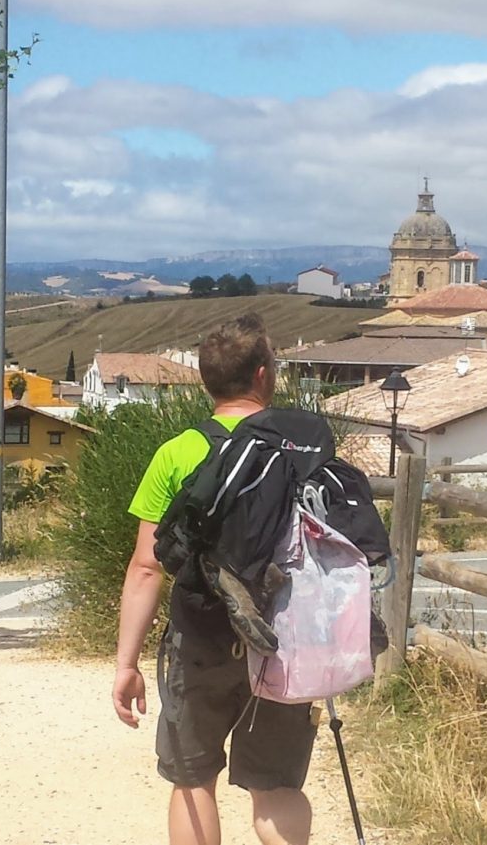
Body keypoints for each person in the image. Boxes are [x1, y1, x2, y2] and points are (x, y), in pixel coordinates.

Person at [111, 313, 315, 845]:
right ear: (264, 375)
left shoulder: (177, 453)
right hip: (282, 641)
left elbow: (145, 567)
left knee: (193, 778)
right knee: (277, 787)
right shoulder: (298, 454)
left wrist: (126, 664)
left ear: (206, 380)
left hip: (199, 639)